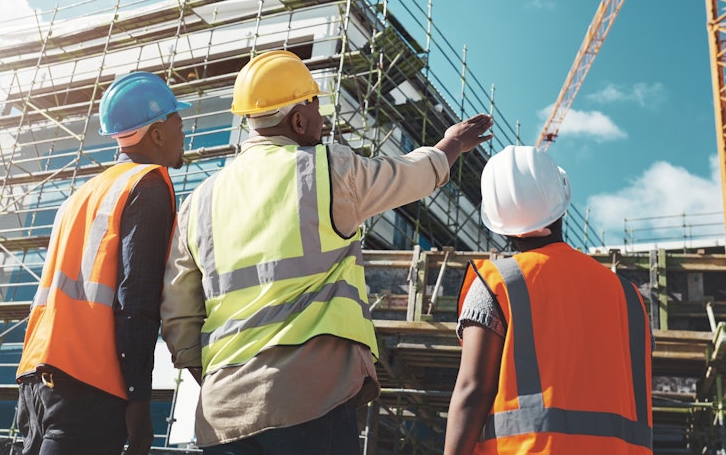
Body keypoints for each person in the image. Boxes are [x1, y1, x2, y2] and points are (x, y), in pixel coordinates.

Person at [160, 49, 494, 454]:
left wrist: (216, 378)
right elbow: (410, 175)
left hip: (224, 414)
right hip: (311, 401)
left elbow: (178, 316)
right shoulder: (326, 168)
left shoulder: (198, 202)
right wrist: (450, 145)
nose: (323, 121)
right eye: (317, 108)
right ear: (297, 119)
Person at [16, 71, 191, 455]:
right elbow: (136, 300)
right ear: (157, 133)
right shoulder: (148, 184)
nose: (184, 133)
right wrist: (139, 400)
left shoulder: (84, 193)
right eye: (179, 123)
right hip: (88, 385)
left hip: (37, 377)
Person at [444, 145, 653, 455]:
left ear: (498, 222)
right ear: (561, 206)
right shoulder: (630, 296)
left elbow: (472, 391)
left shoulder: (496, 283)